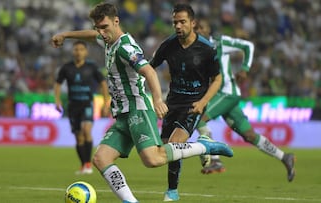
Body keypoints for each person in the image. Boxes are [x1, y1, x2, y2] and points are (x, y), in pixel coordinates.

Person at [51, 3, 233, 203]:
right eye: (98, 28)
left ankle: (203, 146)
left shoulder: (125, 47)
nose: (101, 33)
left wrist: (156, 98)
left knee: (153, 159)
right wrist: (66, 35)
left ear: (116, 22)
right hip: (122, 114)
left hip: (138, 109)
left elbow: (149, 71)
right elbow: (91, 35)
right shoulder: (108, 41)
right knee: (100, 159)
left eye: (104, 27)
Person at [194, 19, 295, 181]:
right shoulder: (195, 50)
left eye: (202, 28)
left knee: (197, 117)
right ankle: (285, 157)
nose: (198, 30)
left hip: (226, 93)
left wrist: (245, 69)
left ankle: (215, 160)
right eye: (196, 28)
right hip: (219, 97)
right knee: (249, 135)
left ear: (209, 30)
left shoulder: (220, 43)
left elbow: (248, 46)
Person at [149, 4, 224, 201]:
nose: (178, 26)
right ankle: (204, 146)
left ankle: (172, 192)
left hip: (194, 104)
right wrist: (156, 98)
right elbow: (148, 69)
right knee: (163, 151)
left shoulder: (207, 49)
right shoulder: (167, 45)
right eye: (175, 22)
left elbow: (217, 79)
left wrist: (203, 102)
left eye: (182, 22)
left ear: (193, 23)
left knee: (174, 145)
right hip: (172, 103)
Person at [54, 40, 109, 175]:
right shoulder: (67, 68)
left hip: (87, 104)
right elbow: (57, 84)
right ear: (73, 51)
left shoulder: (92, 67)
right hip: (73, 106)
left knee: (86, 131)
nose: (78, 52)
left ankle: (89, 164)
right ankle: (84, 164)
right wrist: (57, 100)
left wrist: (106, 102)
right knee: (79, 137)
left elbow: (103, 83)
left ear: (86, 52)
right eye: (76, 49)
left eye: (81, 49)